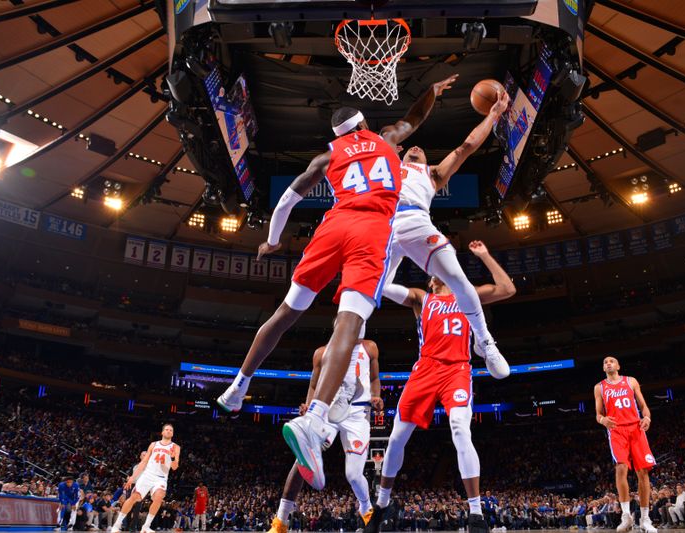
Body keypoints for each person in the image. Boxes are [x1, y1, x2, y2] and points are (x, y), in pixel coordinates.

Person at [217, 75, 458, 490]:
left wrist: (273, 242)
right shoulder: (386, 138)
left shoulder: (327, 156)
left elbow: (287, 201)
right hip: (371, 231)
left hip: (333, 227)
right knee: (349, 323)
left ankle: (238, 387)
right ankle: (313, 419)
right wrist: (433, 90)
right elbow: (414, 118)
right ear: (364, 125)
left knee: (287, 311)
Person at [364, 240, 516, 533]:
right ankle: (382, 504)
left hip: (457, 369)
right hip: (425, 369)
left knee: (460, 427)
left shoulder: (466, 295)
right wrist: (389, 254)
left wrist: (485, 255)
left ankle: (475, 513)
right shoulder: (421, 298)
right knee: (396, 438)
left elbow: (508, 289)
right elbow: (382, 286)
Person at [383, 90, 511, 379]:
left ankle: (484, 341)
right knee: (365, 289)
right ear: (402, 152)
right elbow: (395, 132)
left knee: (456, 277)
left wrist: (493, 114)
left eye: (422, 150)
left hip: (416, 221)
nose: (416, 147)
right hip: (383, 228)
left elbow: (467, 146)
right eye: (411, 148)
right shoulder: (387, 165)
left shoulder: (433, 174)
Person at [268, 332, 382, 533]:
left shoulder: (370, 347)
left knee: (354, 475)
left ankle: (366, 509)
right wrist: (309, 405)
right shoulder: (321, 353)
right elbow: (313, 385)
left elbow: (374, 378)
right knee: (302, 458)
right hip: (328, 411)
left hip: (357, 413)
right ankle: (280, 521)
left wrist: (376, 396)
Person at [594, 357, 656, 533]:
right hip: (616, 430)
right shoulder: (599, 387)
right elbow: (598, 414)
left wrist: (647, 418)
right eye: (605, 362)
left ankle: (645, 519)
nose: (608, 363)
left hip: (636, 428)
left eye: (612, 361)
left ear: (618, 366)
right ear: (603, 367)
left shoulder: (631, 381)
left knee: (642, 472)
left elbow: (644, 406)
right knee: (621, 468)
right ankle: (626, 516)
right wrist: (603, 420)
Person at [111, 424, 180, 533]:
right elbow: (143, 462)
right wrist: (132, 478)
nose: (168, 431)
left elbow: (175, 467)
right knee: (134, 497)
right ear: (162, 432)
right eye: (166, 429)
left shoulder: (176, 447)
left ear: (173, 433)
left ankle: (146, 527)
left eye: (171, 430)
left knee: (159, 496)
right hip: (148, 474)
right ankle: (117, 525)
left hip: (161, 478)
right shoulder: (153, 445)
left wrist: (172, 457)